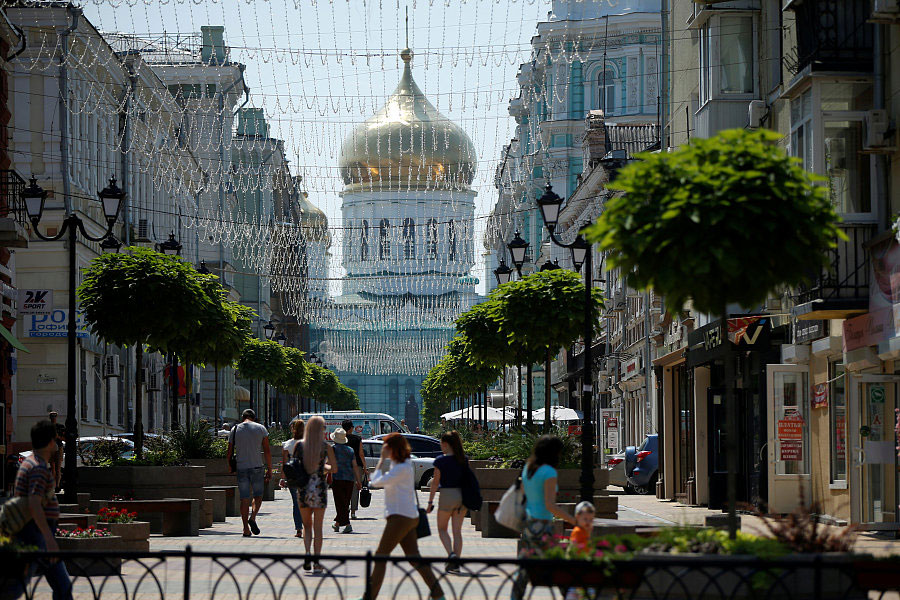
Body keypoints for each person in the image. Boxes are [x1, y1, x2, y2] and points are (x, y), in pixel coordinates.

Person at [359, 433, 444, 600]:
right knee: (414, 558)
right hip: (406, 516)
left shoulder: (400, 468)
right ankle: (438, 594)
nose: (383, 449)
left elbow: (374, 482)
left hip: (400, 517)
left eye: (386, 446)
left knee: (380, 556)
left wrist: (381, 461)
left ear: (392, 448)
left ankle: (369, 596)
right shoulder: (402, 464)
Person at [511, 435, 576, 600]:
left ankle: (514, 597)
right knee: (557, 563)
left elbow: (524, 495)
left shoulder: (528, 469)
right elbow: (550, 505)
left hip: (528, 522)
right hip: (543, 524)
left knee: (525, 567)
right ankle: (570, 595)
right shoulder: (549, 472)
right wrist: (573, 520)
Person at [14, 420, 72, 600]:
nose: (57, 444)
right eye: (55, 440)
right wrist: (48, 538)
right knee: (61, 586)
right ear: (49, 442)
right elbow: (34, 502)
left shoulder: (31, 463)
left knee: (61, 586)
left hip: (33, 534)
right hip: (36, 535)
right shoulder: (38, 467)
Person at [295, 415, 337, 574]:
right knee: (318, 527)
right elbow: (334, 469)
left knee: (306, 525)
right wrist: (322, 467)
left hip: (304, 489)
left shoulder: (299, 446)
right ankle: (317, 562)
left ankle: (307, 554)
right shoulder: (326, 447)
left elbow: (296, 466)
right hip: (319, 489)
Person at [426, 430, 469, 573]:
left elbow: (435, 482)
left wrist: (430, 502)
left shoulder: (440, 461)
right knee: (457, 531)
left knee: (442, 529)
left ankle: (450, 555)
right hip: (461, 495)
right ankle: (456, 562)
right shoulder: (464, 459)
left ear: (445, 444)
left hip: (446, 495)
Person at [227, 408, 272, 537]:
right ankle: (252, 517)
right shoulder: (261, 429)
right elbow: (267, 451)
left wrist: (230, 466)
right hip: (257, 466)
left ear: (242, 418)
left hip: (241, 468)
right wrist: (269, 469)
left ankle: (245, 529)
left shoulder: (235, 429)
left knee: (244, 498)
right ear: (254, 417)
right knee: (258, 495)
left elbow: (229, 452)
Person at [330, 427, 362, 534]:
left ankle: (347, 524)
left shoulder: (332, 449)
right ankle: (337, 524)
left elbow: (328, 463)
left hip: (337, 478)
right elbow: (355, 466)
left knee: (340, 503)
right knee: (345, 503)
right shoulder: (350, 450)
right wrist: (358, 481)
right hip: (349, 479)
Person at [280, 418, 305, 537]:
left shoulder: (287, 444)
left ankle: (299, 529)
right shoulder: (309, 442)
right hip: (306, 476)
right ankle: (307, 525)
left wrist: (282, 478)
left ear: (292, 429)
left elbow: (284, 463)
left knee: (296, 502)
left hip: (292, 477)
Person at [341, 419, 366, 519]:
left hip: (344, 466)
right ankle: (353, 512)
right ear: (351, 428)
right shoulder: (357, 439)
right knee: (355, 489)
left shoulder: (341, 439)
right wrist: (364, 467)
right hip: (357, 466)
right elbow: (361, 454)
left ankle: (345, 508)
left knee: (345, 488)